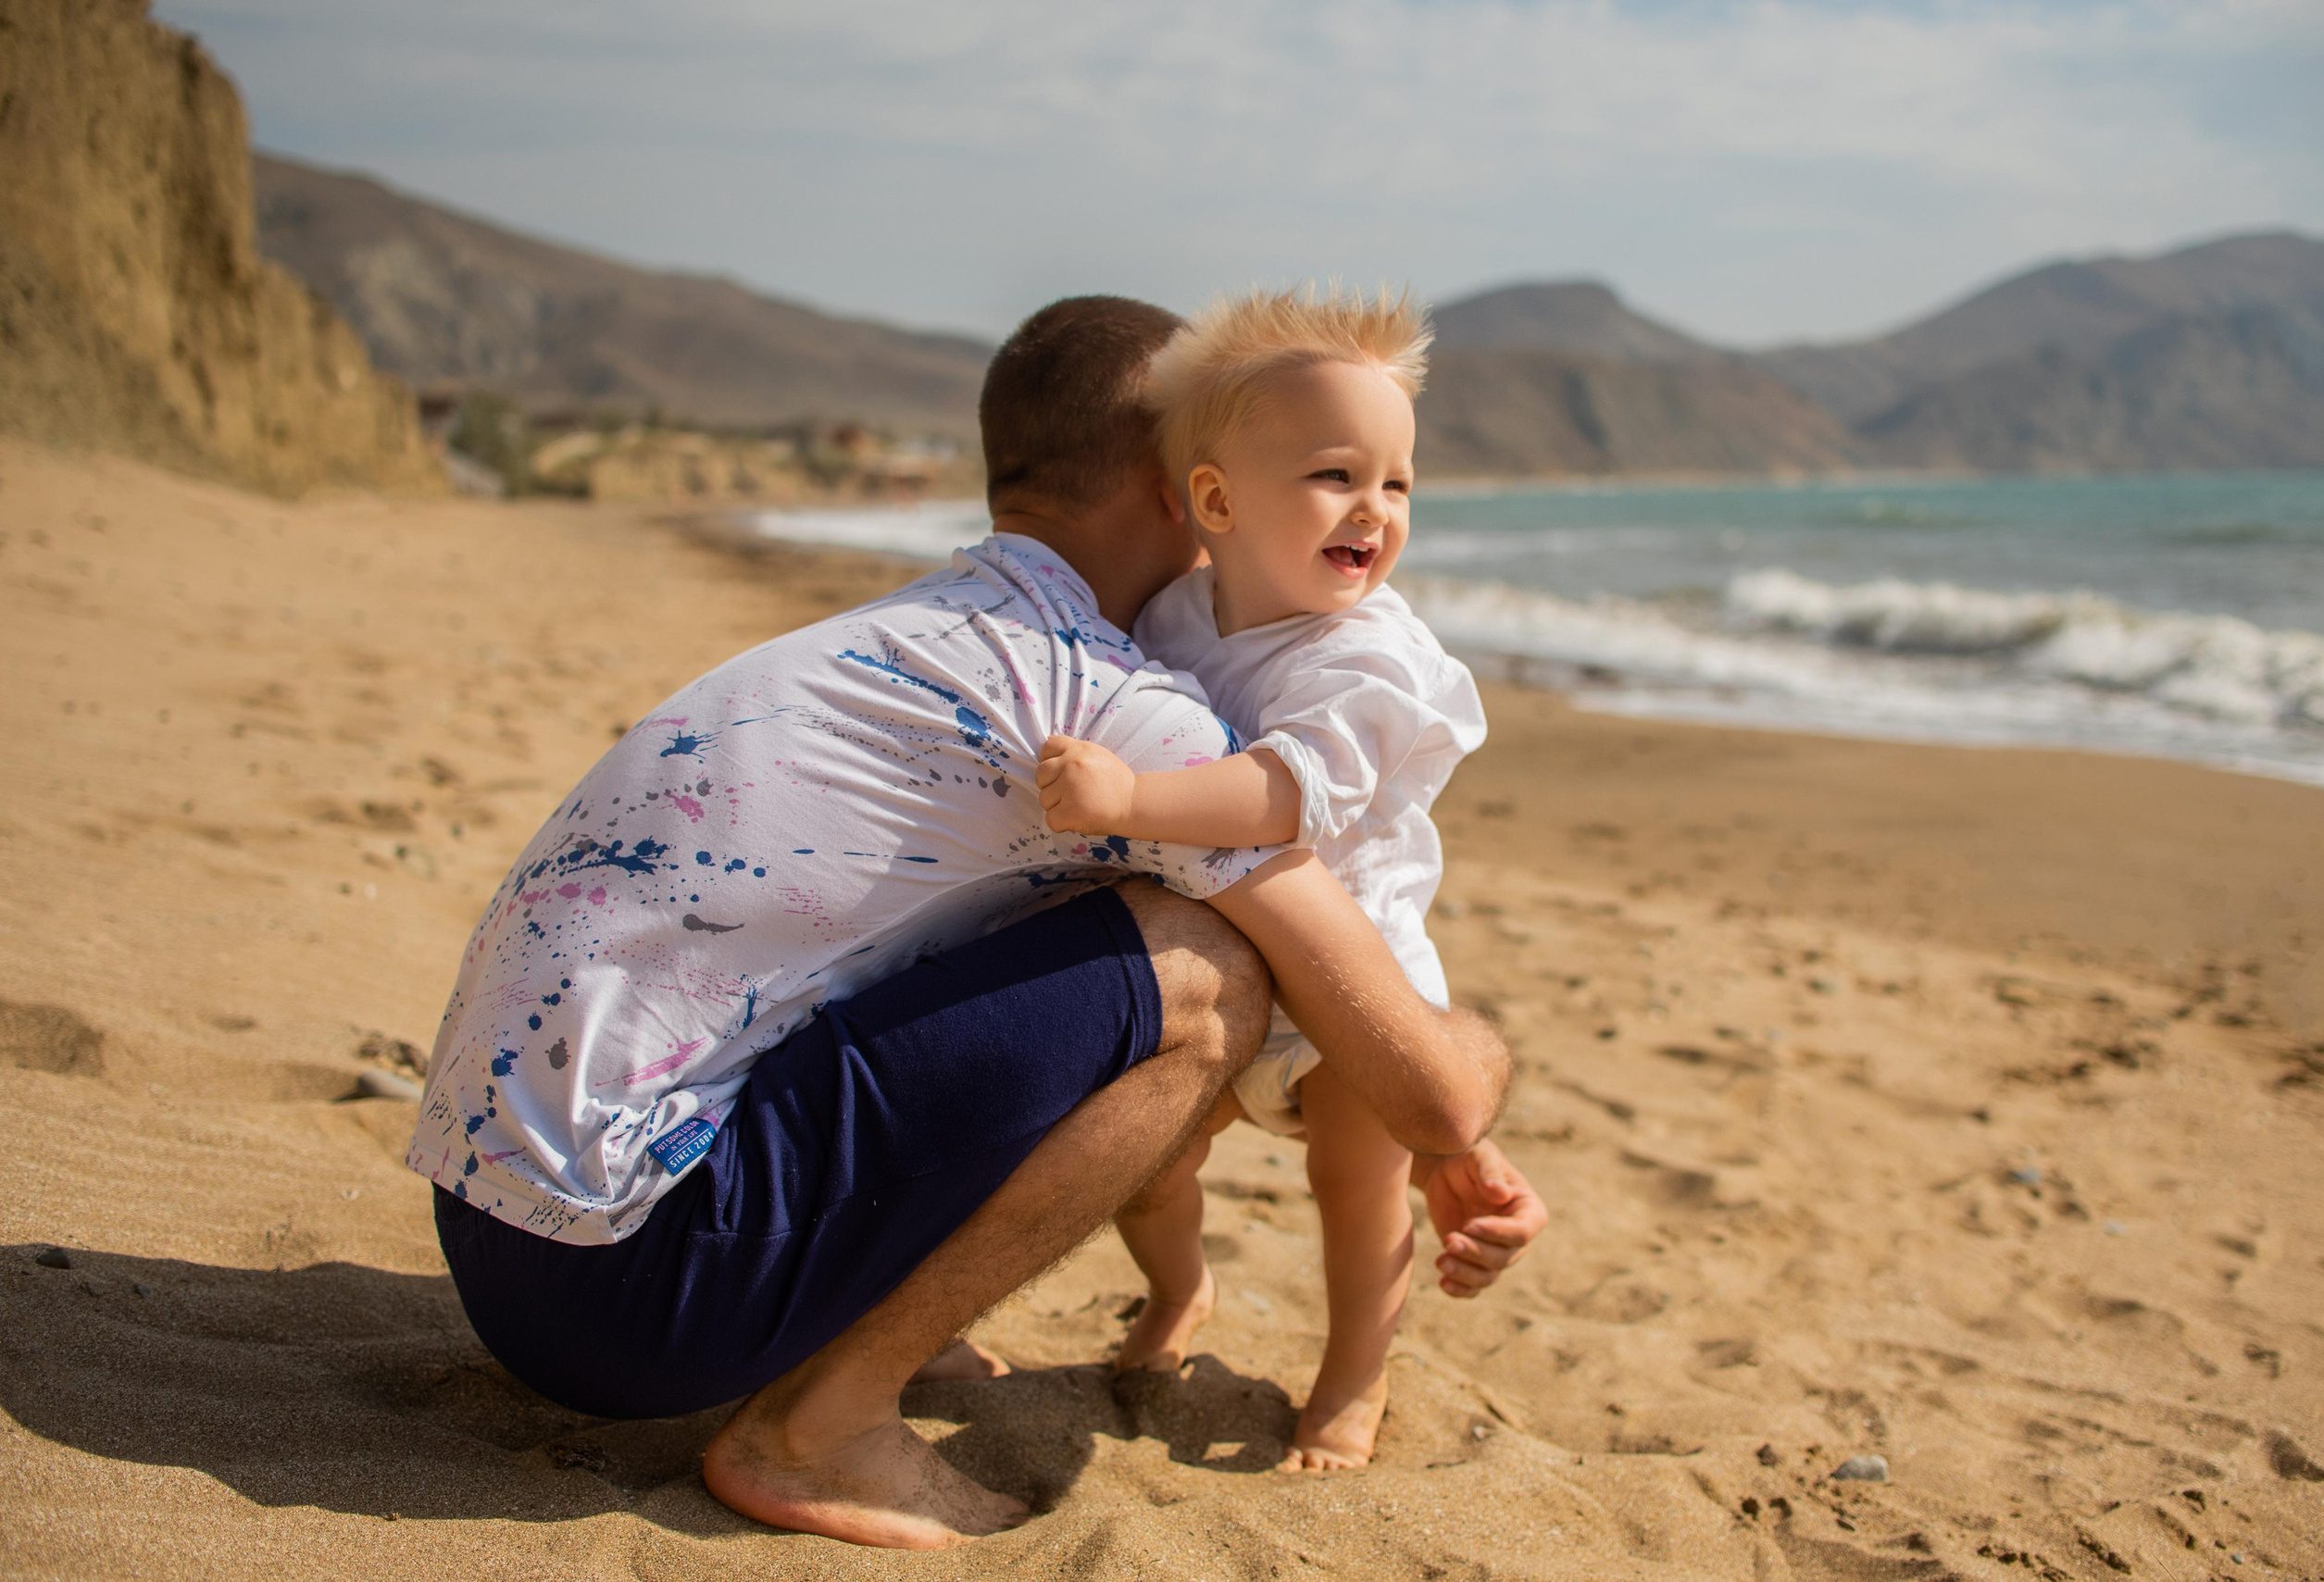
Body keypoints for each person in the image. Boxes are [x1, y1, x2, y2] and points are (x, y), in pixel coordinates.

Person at [408, 295, 1546, 1551]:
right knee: (1210, 963)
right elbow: (1434, 1095)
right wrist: (1471, 1096)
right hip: (632, 1285)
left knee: (1038, 917)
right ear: (1189, 491)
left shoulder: (909, 634)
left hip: (496, 1226)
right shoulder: (1105, 704)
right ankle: (821, 1426)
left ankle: (869, 1318)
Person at [1035, 287, 1484, 1471]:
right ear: (1218, 502)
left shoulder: (1371, 654)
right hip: (1226, 971)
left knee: (1356, 1183)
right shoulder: (1177, 615)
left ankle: (1352, 1373)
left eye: (1397, 483)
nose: (1374, 511)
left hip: (1351, 983)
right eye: (1337, 475)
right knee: (1153, 1160)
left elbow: (1280, 797)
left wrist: (1131, 800)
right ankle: (1180, 1290)